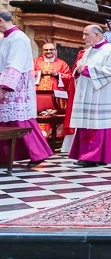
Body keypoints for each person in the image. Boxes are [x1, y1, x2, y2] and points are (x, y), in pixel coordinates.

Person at [0, 10, 53, 167]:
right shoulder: (5, 38)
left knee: (19, 121)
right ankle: (5, 156)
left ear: (1, 21)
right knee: (6, 122)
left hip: (14, 87)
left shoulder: (19, 38)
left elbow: (14, 64)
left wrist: (5, 85)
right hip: (5, 83)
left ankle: (38, 153)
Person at [68, 25, 111, 166]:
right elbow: (80, 66)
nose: (83, 37)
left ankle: (93, 157)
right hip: (88, 93)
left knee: (98, 125)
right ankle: (86, 155)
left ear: (97, 35)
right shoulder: (88, 51)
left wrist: (87, 70)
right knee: (88, 124)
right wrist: (79, 70)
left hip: (103, 94)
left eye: (86, 34)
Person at [33, 42, 71, 115]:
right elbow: (28, 74)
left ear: (55, 50)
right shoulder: (35, 62)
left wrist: (57, 74)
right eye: (46, 50)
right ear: (42, 51)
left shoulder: (62, 63)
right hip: (38, 92)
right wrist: (41, 73)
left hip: (55, 93)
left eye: (51, 49)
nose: (48, 51)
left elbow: (69, 77)